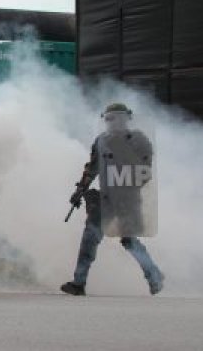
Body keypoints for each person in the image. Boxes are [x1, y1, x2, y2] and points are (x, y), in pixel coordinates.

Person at [61, 103, 164, 296]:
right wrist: (80, 190)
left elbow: (145, 171)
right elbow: (92, 168)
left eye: (115, 117)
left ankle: (154, 276)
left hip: (128, 197)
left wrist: (127, 187)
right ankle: (78, 282)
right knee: (89, 239)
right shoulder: (101, 141)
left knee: (129, 240)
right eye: (107, 118)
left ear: (126, 118)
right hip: (106, 198)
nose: (110, 122)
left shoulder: (139, 140)